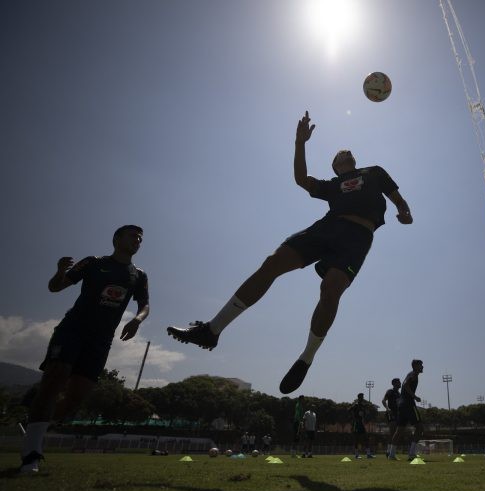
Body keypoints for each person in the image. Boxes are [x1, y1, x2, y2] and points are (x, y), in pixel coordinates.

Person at [167, 111, 413, 394]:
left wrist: (404, 211)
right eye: (338, 155)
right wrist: (300, 142)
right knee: (272, 263)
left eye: (346, 152)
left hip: (358, 237)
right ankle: (212, 330)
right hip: (327, 227)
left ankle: (306, 357)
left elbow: (397, 198)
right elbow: (300, 179)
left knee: (330, 288)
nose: (343, 153)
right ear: (335, 167)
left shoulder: (374, 172)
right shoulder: (331, 186)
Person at [20, 225, 149, 473]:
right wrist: (59, 271)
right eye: (132, 235)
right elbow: (55, 287)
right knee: (54, 381)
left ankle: (34, 424)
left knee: (74, 400)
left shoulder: (139, 275)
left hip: (101, 340)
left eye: (140, 237)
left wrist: (137, 319)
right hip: (73, 330)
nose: (138, 239)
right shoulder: (93, 262)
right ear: (117, 239)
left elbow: (145, 305)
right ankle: (31, 455)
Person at [390, 359, 424, 461]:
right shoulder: (414, 374)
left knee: (399, 430)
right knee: (420, 428)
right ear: (415, 366)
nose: (422, 367)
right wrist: (414, 396)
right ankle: (412, 453)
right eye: (420, 365)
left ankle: (391, 454)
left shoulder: (410, 374)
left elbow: (404, 385)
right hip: (409, 404)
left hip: (402, 405)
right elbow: (405, 385)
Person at [382, 378, 401, 458]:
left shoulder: (399, 394)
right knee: (393, 432)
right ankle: (389, 451)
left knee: (397, 433)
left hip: (398, 414)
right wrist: (387, 408)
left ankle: (390, 451)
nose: (400, 383)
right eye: (398, 382)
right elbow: (383, 400)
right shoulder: (390, 391)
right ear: (394, 384)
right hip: (391, 413)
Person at [350, 393, 373, 459]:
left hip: (361, 424)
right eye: (361, 397)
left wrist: (365, 414)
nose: (362, 398)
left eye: (362, 397)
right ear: (358, 398)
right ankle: (356, 455)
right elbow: (349, 410)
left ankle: (368, 454)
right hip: (356, 424)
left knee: (366, 438)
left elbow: (364, 414)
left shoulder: (363, 406)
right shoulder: (355, 405)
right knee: (356, 439)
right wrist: (354, 417)